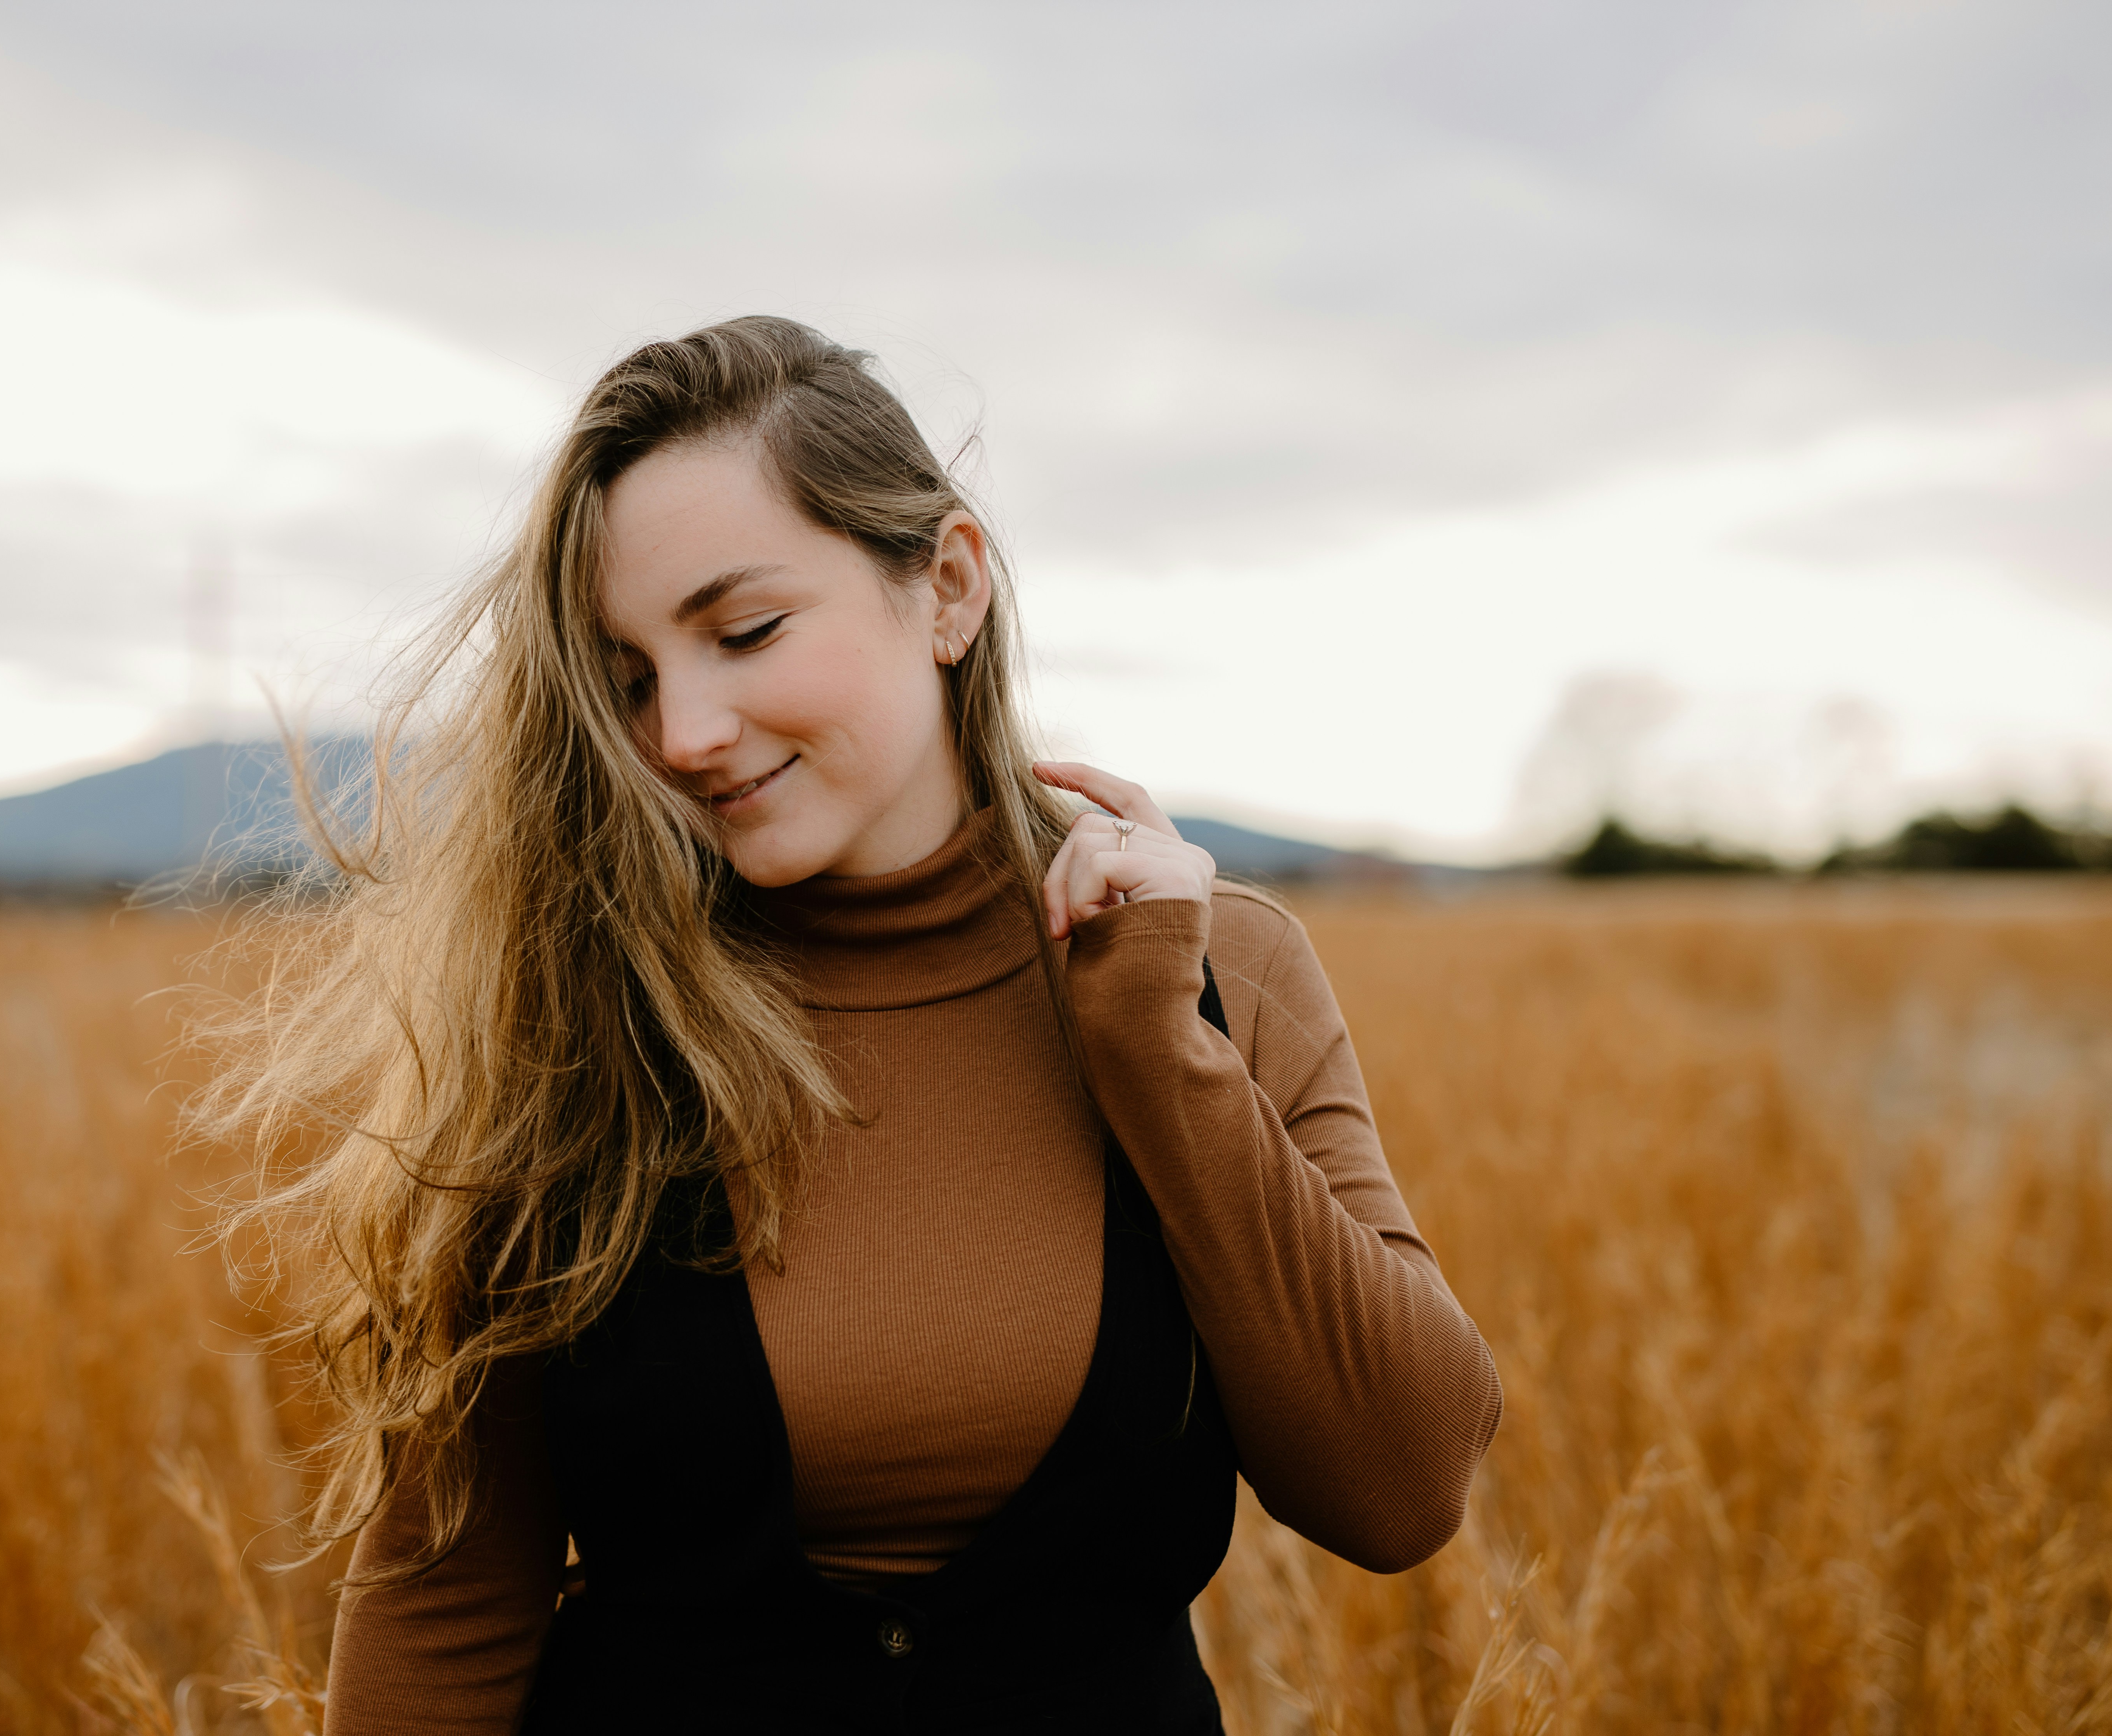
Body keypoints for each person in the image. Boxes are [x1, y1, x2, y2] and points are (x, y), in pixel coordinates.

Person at [203, 316, 1501, 1734]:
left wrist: (1161, 1049)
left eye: (743, 631)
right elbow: (446, 1596)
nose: (682, 734)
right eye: (628, 678)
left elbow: (1401, 1486)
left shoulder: (1218, 972)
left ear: (946, 588)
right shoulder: (578, 1024)